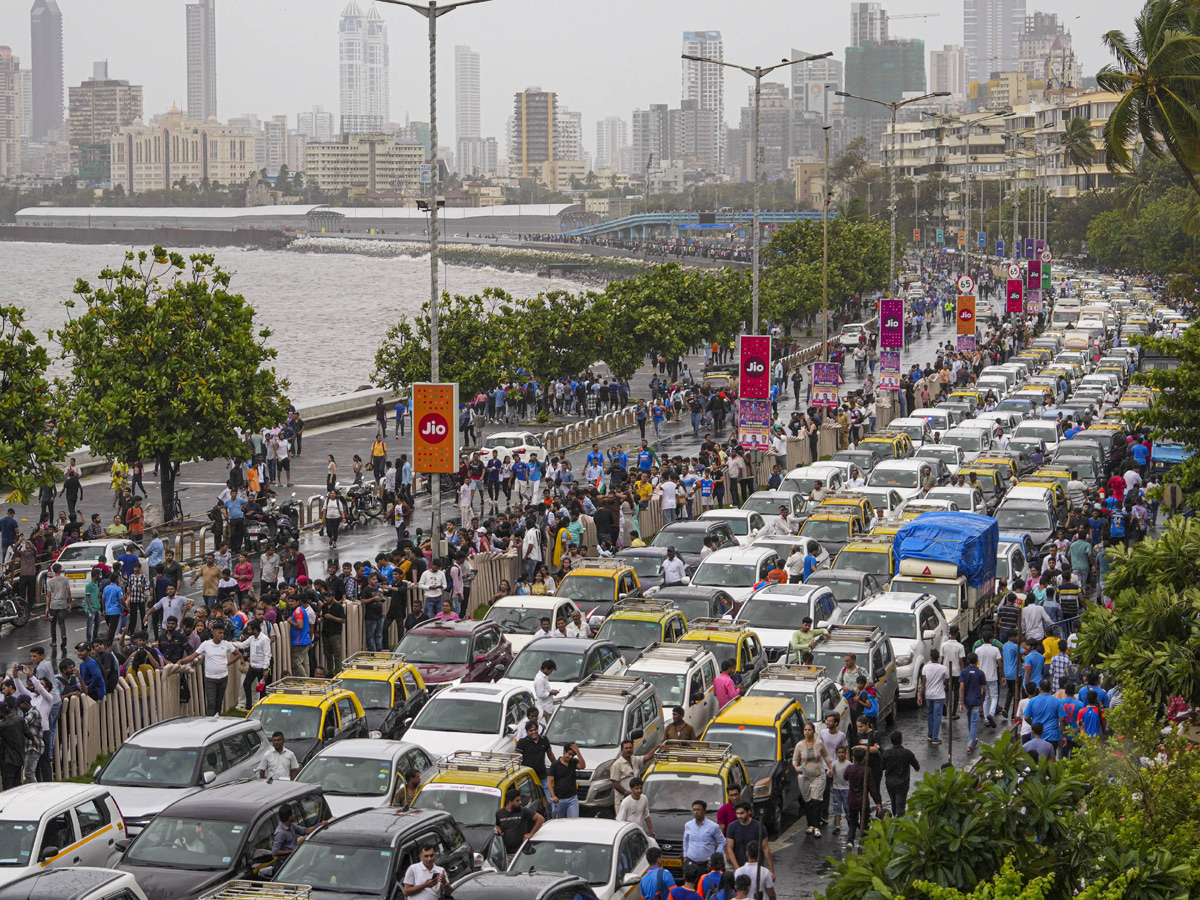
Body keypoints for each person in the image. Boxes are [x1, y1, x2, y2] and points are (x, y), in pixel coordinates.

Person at [178, 622, 236, 717]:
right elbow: (193, 656)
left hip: (223, 676)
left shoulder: (226, 644)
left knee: (219, 701)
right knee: (211, 702)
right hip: (210, 677)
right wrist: (181, 661)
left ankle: (218, 718)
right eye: (219, 633)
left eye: (223, 633)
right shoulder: (206, 644)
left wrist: (228, 663)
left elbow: (238, 654)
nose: (222, 635)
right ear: (214, 633)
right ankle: (209, 721)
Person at [792, 721, 832, 837]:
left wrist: (830, 768)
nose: (807, 732)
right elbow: (795, 760)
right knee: (808, 801)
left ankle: (816, 826)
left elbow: (826, 756)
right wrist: (796, 768)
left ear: (814, 732)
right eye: (805, 730)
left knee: (816, 800)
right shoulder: (799, 745)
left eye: (809, 730)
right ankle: (810, 824)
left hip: (818, 775)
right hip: (804, 776)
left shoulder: (819, 744)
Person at [844, 746, 882, 846]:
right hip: (863, 800)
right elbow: (873, 788)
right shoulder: (867, 770)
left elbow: (845, 777)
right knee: (864, 822)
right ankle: (863, 842)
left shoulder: (850, 768)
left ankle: (850, 841)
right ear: (864, 757)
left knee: (852, 822)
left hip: (852, 799)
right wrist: (878, 802)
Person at [610, 739, 659, 814]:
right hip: (622, 801)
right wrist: (627, 793)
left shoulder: (635, 759)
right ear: (622, 750)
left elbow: (648, 756)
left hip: (635, 799)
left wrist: (658, 747)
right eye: (626, 748)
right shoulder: (617, 764)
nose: (628, 750)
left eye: (630, 748)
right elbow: (615, 783)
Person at [494, 789, 544, 862]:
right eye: (517, 801)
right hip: (506, 853)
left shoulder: (523, 811)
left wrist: (531, 833)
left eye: (520, 800)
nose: (520, 802)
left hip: (521, 852)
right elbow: (499, 827)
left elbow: (540, 819)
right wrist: (499, 831)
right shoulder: (499, 813)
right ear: (510, 802)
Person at [880, 731, 919, 816]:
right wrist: (916, 768)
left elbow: (882, 767)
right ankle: (900, 822)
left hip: (890, 782)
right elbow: (916, 766)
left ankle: (895, 817)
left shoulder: (886, 753)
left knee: (893, 801)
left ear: (891, 741)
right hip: (903, 782)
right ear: (901, 740)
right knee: (901, 804)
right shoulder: (907, 753)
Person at [959, 652, 989, 753]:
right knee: (974, 723)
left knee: (969, 721)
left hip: (967, 700)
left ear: (968, 661)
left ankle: (972, 740)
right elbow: (984, 689)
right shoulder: (980, 673)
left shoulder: (964, 672)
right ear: (977, 661)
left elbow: (961, 687)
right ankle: (970, 744)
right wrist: (983, 699)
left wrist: (960, 702)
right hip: (976, 700)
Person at [918, 648, 949, 745]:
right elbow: (947, 681)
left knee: (930, 714)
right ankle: (935, 737)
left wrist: (920, 695)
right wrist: (944, 686)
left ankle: (930, 734)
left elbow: (923, 682)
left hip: (929, 695)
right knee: (937, 715)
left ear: (931, 658)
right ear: (938, 658)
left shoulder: (926, 668)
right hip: (939, 695)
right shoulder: (943, 668)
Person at [683, 800, 726, 868]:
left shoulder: (713, 826)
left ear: (704, 811)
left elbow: (722, 841)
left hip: (706, 864)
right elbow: (686, 841)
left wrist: (715, 858)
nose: (696, 812)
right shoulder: (688, 825)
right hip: (691, 862)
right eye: (694, 810)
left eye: (698, 810)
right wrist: (685, 855)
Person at [548, 742, 586, 819]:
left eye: (572, 755)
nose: (570, 757)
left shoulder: (573, 762)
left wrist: (578, 752)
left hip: (572, 798)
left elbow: (582, 766)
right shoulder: (555, 765)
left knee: (573, 822)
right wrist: (553, 796)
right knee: (558, 822)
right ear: (564, 752)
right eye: (569, 754)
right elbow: (549, 782)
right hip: (559, 799)